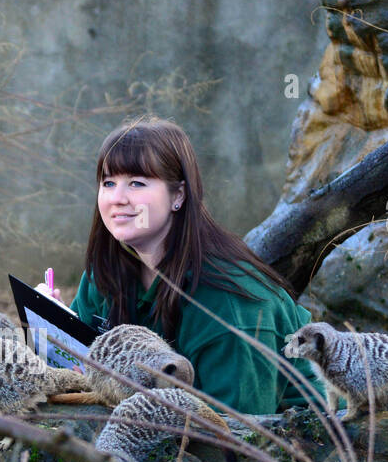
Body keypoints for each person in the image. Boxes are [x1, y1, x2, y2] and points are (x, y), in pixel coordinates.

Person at [40, 116, 324, 415]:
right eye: (108, 183)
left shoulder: (229, 305)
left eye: (136, 183)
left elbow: (237, 440)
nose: (117, 198)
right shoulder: (107, 273)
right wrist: (54, 329)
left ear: (178, 195)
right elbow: (83, 381)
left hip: (310, 446)